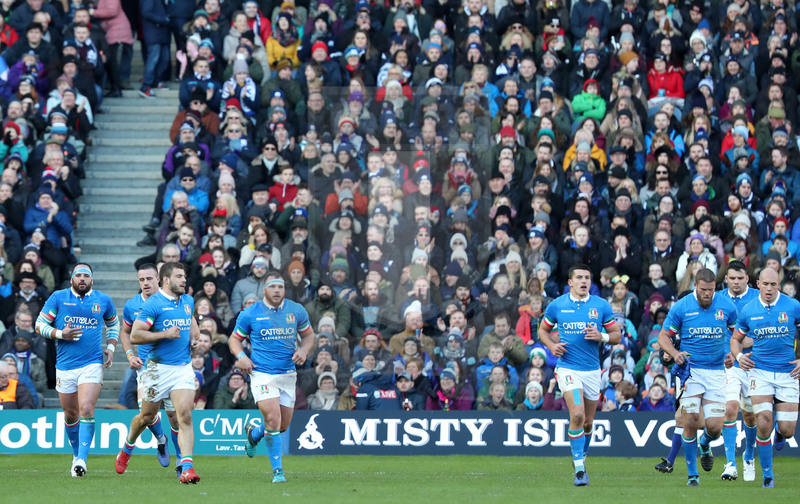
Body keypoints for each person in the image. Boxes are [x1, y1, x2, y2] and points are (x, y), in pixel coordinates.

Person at [114, 262, 202, 484]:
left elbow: (192, 325)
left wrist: (194, 340)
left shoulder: (188, 301)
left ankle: (186, 467)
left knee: (184, 416)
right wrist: (165, 334)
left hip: (182, 367)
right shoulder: (152, 305)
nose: (184, 280)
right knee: (146, 417)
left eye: (184, 275)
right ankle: (127, 447)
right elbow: (135, 335)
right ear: (166, 280)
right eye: (179, 276)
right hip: (156, 369)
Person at [538, 263, 621, 486]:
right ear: (570, 282)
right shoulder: (558, 305)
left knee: (588, 422)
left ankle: (580, 457)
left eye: (587, 278)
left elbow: (616, 335)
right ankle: (580, 470)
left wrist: (601, 336)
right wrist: (551, 346)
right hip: (568, 369)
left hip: (592, 371)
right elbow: (543, 330)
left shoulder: (601, 305)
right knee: (577, 415)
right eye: (579, 278)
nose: (584, 281)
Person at [229, 271, 315, 484]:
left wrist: (304, 351)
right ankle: (278, 471)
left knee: (282, 426)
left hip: (287, 374)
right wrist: (241, 357)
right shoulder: (249, 313)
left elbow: (308, 336)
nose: (277, 290)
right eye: (272, 286)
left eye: (280, 286)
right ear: (264, 290)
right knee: (273, 420)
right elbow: (234, 340)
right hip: (262, 373)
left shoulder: (296, 310)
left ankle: (254, 434)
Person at [35, 263, 119, 477]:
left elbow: (113, 324)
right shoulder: (58, 297)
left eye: (86, 276)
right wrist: (60, 334)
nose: (82, 279)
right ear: (72, 278)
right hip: (65, 366)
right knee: (71, 414)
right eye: (78, 275)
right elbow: (39, 325)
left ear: (92, 279)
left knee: (87, 409)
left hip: (92, 363)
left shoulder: (103, 300)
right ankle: (76, 454)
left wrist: (110, 347)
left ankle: (82, 459)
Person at [657, 268, 738, 487]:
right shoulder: (682, 307)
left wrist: (732, 354)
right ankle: (693, 476)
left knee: (715, 428)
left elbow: (736, 335)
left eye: (711, 290)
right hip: (691, 371)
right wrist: (675, 353)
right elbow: (663, 336)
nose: (708, 294)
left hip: (716, 372)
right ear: (695, 285)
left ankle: (705, 443)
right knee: (690, 420)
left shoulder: (726, 306)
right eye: (703, 290)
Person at [731, 267, 800, 489]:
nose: (769, 289)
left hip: (788, 372)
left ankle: (780, 433)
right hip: (759, 372)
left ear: (779, 285)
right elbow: (735, 339)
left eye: (773, 284)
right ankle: (767, 477)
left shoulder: (793, 306)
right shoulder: (748, 310)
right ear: (758, 284)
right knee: (762, 422)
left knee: (788, 431)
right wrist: (739, 356)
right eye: (765, 284)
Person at [118, 263, 182, 475]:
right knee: (146, 415)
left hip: (172, 366)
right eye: (141, 280)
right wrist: (130, 355)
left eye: (149, 279)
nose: (145, 283)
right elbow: (125, 332)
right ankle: (161, 439)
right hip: (148, 368)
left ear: (159, 279)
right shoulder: (132, 305)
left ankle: (181, 461)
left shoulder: (174, 301)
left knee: (174, 417)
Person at [717, 260, 759, 481]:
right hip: (729, 365)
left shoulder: (759, 298)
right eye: (732, 278)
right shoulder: (717, 299)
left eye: (740, 278)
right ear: (726, 279)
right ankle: (730, 464)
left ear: (747, 279)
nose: (736, 282)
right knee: (730, 409)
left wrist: (753, 340)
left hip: (753, 364)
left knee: (751, 416)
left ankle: (749, 454)